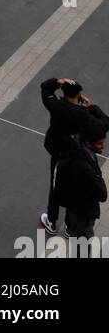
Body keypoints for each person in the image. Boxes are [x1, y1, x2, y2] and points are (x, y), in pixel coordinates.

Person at [39, 76, 109, 233]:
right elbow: (105, 123)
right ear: (79, 96)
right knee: (76, 190)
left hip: (59, 154)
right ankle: (70, 227)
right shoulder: (84, 115)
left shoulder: (56, 106)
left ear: (63, 93)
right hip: (78, 156)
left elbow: (45, 89)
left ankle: (51, 221)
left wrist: (58, 81)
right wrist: (92, 107)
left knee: (56, 186)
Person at [56, 123, 109, 250]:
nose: (103, 146)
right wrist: (97, 176)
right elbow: (102, 194)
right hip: (82, 212)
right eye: (99, 144)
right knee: (83, 243)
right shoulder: (84, 168)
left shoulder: (76, 148)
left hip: (74, 207)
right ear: (89, 143)